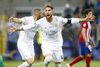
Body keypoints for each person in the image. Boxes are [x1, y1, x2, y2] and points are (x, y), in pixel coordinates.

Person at [17, 5, 95, 67]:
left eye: (49, 10)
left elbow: (71, 20)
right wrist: (18, 29)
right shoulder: (41, 21)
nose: (47, 12)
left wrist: (84, 19)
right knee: (49, 58)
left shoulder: (59, 20)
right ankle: (45, 65)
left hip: (57, 44)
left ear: (52, 12)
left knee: (58, 64)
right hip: (46, 43)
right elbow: (29, 26)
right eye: (46, 10)